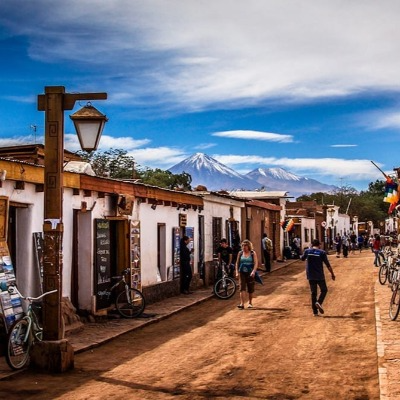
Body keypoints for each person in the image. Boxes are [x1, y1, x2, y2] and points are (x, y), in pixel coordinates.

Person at [301, 239, 335, 316]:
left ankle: (315, 312)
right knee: (324, 290)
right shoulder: (322, 252)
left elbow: (302, 258)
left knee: (313, 293)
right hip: (320, 275)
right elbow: (327, 264)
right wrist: (332, 274)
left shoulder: (307, 251)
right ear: (319, 245)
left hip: (311, 275)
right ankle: (318, 302)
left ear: (312, 244)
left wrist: (307, 251)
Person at [235, 239, 259, 309]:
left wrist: (253, 271)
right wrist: (236, 272)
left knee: (250, 287)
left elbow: (255, 263)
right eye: (243, 246)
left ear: (249, 246)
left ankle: (250, 302)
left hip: (250, 272)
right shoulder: (240, 253)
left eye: (245, 246)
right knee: (242, 287)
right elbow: (237, 263)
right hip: (242, 272)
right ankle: (242, 303)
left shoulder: (252, 253)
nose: (244, 248)